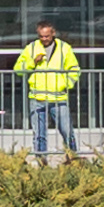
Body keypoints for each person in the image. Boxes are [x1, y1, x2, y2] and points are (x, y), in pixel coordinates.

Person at [16, 21, 82, 160]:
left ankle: (73, 159)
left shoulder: (65, 48)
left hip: (58, 98)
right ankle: (41, 162)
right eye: (41, 36)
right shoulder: (32, 48)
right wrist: (32, 62)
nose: (44, 39)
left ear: (53, 33)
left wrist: (65, 84)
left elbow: (74, 70)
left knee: (67, 131)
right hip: (37, 98)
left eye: (47, 36)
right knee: (39, 134)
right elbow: (18, 69)